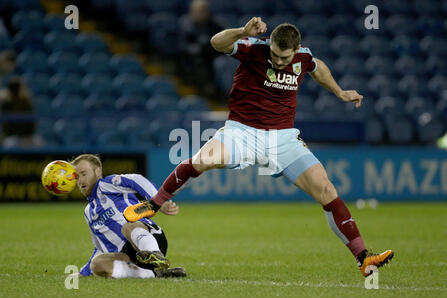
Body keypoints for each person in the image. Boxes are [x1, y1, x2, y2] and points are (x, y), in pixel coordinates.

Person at [125, 18, 394, 277]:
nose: (278, 61)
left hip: (284, 138)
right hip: (242, 131)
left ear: (296, 51)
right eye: (275, 55)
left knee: (326, 190)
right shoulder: (254, 48)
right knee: (202, 160)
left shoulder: (303, 57)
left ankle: (363, 257)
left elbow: (317, 66)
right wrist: (243, 31)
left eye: (284, 58)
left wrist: (339, 91)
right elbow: (216, 42)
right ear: (271, 45)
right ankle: (153, 203)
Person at [71, 154, 186, 279]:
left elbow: (136, 179)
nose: (80, 180)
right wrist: (83, 273)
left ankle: (155, 256)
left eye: (84, 174)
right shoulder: (88, 213)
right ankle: (152, 274)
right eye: (77, 177)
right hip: (129, 254)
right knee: (97, 264)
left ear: (98, 172)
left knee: (127, 226)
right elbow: (100, 247)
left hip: (149, 237)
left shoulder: (106, 185)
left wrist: (158, 201)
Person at [177, 0, 223, 97]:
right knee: (198, 60)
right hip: (192, 59)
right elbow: (181, 45)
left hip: (212, 55)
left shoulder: (215, 25)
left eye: (203, 10)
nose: (200, 13)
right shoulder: (185, 24)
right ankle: (206, 88)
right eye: (197, 11)